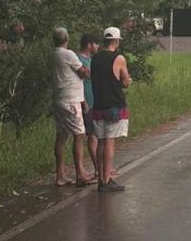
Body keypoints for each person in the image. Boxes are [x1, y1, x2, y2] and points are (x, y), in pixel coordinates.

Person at [91, 26, 132, 192]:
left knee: (100, 141)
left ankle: (101, 178)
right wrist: (129, 80)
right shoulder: (119, 58)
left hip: (98, 104)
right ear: (116, 41)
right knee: (109, 141)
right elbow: (125, 81)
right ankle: (107, 179)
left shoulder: (95, 58)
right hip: (114, 104)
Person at [51, 27, 89, 187]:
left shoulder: (53, 54)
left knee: (61, 136)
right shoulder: (68, 54)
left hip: (59, 98)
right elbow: (83, 73)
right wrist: (87, 68)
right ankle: (80, 172)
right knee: (79, 134)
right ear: (67, 38)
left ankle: (60, 174)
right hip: (71, 100)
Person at [77, 32, 100, 181]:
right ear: (89, 45)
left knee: (96, 135)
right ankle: (98, 169)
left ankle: (101, 167)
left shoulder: (91, 60)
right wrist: (84, 102)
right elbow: (78, 83)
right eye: (95, 44)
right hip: (86, 103)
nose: (97, 47)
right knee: (92, 136)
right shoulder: (78, 60)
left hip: (95, 102)